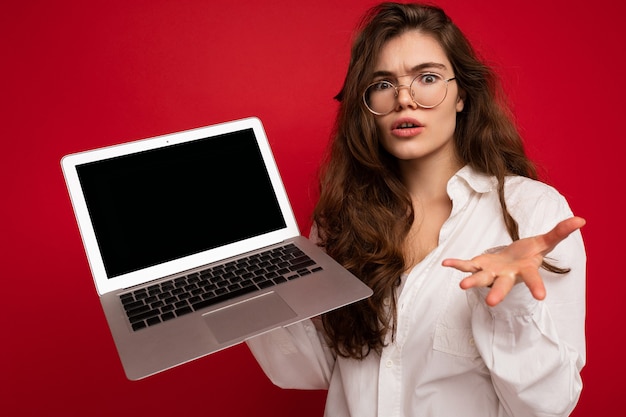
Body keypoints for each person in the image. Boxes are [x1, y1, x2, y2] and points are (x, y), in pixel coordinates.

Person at [246, 2, 586, 416]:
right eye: (383, 83)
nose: (404, 99)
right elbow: (311, 369)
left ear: (461, 95)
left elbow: (551, 406)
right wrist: (249, 277)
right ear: (366, 101)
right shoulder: (340, 220)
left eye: (426, 78)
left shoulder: (532, 213)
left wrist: (512, 304)